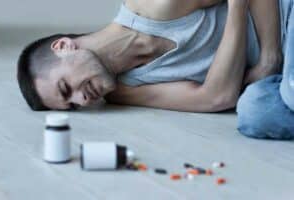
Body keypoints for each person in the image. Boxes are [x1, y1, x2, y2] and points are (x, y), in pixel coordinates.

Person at [17, 0, 293, 139]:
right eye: (73, 106)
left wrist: (268, 58)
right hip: (282, 77)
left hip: (287, 17)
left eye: (66, 89)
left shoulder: (151, 5)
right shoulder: (122, 91)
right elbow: (216, 98)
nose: (83, 100)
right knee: (257, 113)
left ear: (64, 46)